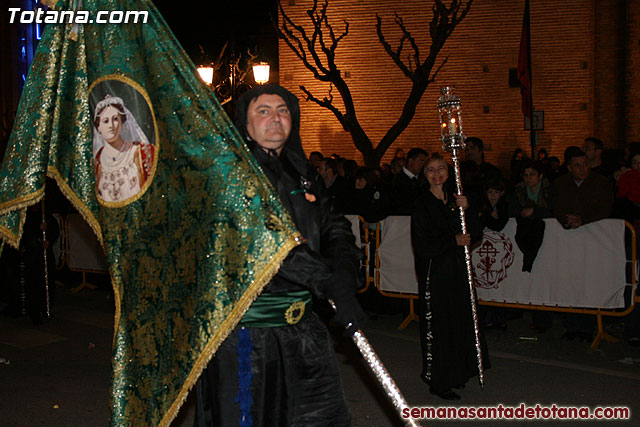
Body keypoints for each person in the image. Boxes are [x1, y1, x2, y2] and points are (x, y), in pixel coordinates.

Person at [194, 84, 365, 426]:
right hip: (247, 338)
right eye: (264, 110)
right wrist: (326, 279)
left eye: (283, 110)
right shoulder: (230, 176)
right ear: (245, 123)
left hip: (303, 331)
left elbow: (335, 228)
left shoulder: (303, 175)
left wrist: (345, 273)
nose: (275, 118)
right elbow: (267, 242)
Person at [411, 153, 486, 401]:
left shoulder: (456, 200)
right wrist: (451, 241)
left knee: (460, 321)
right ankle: (439, 380)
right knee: (441, 326)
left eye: (441, 169)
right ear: (425, 175)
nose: (436, 174)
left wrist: (468, 209)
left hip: (458, 270)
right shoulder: (421, 203)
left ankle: (459, 373)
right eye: (431, 170)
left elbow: (474, 233)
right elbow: (421, 244)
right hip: (436, 273)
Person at [92, 95, 155, 202]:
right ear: (99, 128)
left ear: (122, 123)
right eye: (106, 121)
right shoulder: (96, 162)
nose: (111, 125)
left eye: (115, 119)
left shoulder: (144, 152)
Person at [389, 147, 428, 215]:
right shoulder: (396, 181)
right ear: (410, 161)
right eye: (421, 161)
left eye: (425, 162)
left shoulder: (424, 179)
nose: (423, 165)